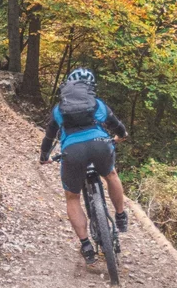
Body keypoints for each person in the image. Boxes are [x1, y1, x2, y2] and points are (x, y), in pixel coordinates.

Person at [39, 68, 130, 265]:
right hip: (100, 145)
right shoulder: (97, 104)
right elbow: (117, 125)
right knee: (111, 174)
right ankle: (121, 216)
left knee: (73, 197)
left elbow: (49, 137)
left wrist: (44, 156)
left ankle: (86, 246)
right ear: (90, 88)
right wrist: (121, 136)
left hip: (73, 152)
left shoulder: (59, 110)